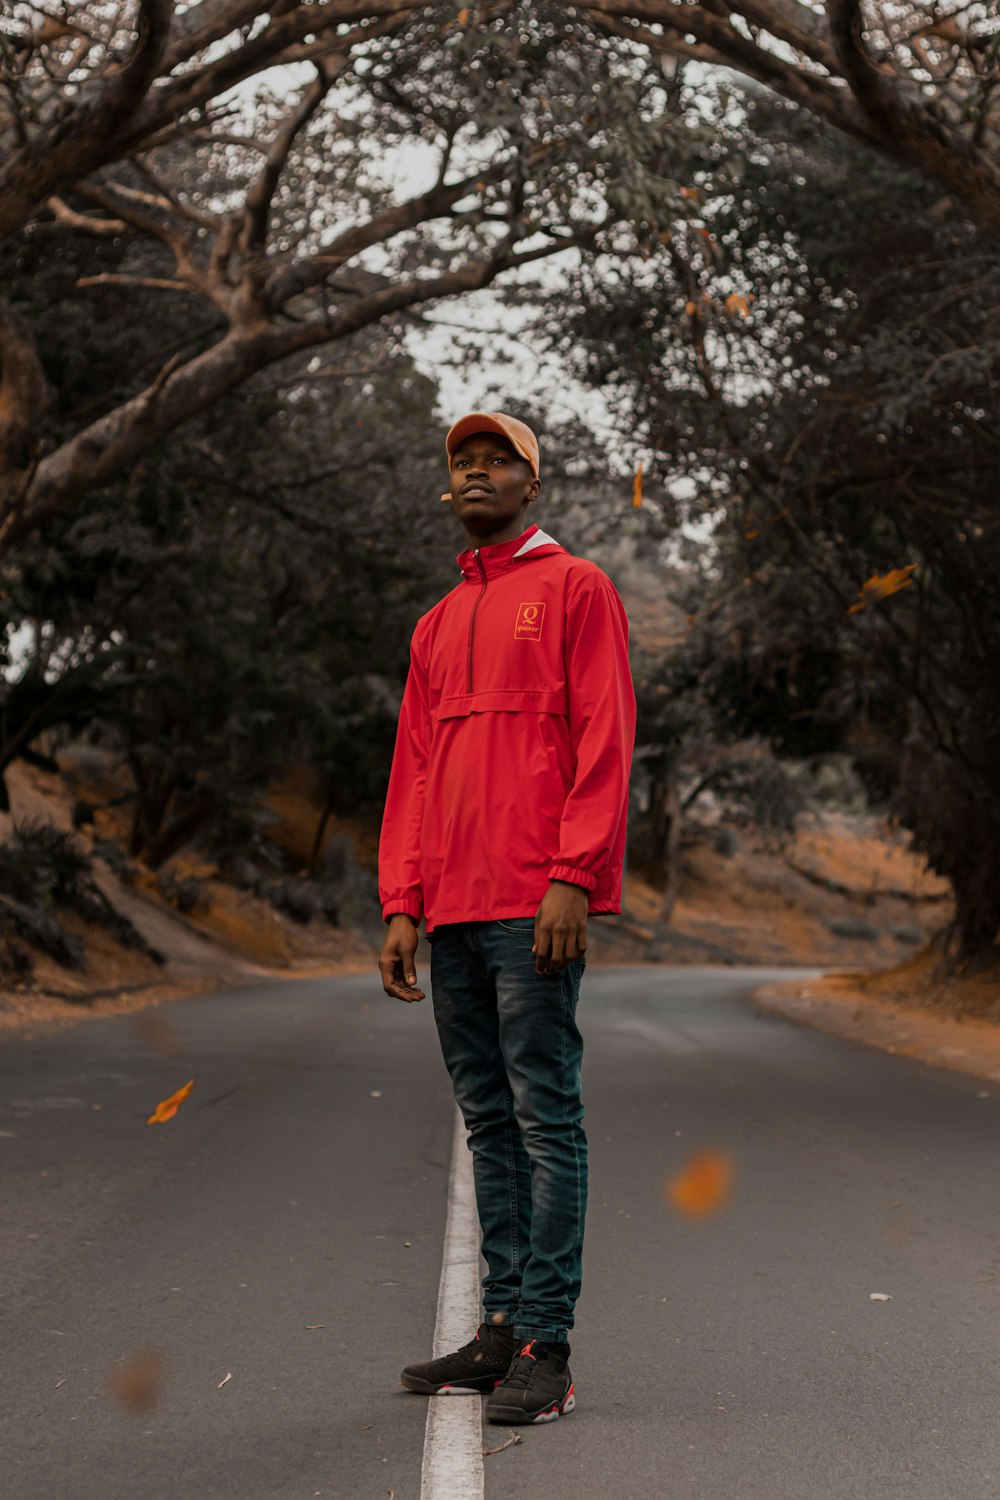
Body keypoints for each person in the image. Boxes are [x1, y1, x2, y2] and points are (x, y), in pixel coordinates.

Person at [378, 411, 636, 1425]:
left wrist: (574, 873)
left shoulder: (577, 589)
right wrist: (402, 900)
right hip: (450, 909)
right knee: (487, 1121)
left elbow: (605, 737)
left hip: (535, 908)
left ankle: (546, 1345)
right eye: (463, 462)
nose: (477, 472)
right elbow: (413, 769)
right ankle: (497, 1329)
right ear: (450, 489)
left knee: (543, 1115)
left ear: (533, 486)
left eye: (499, 462)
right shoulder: (437, 624)